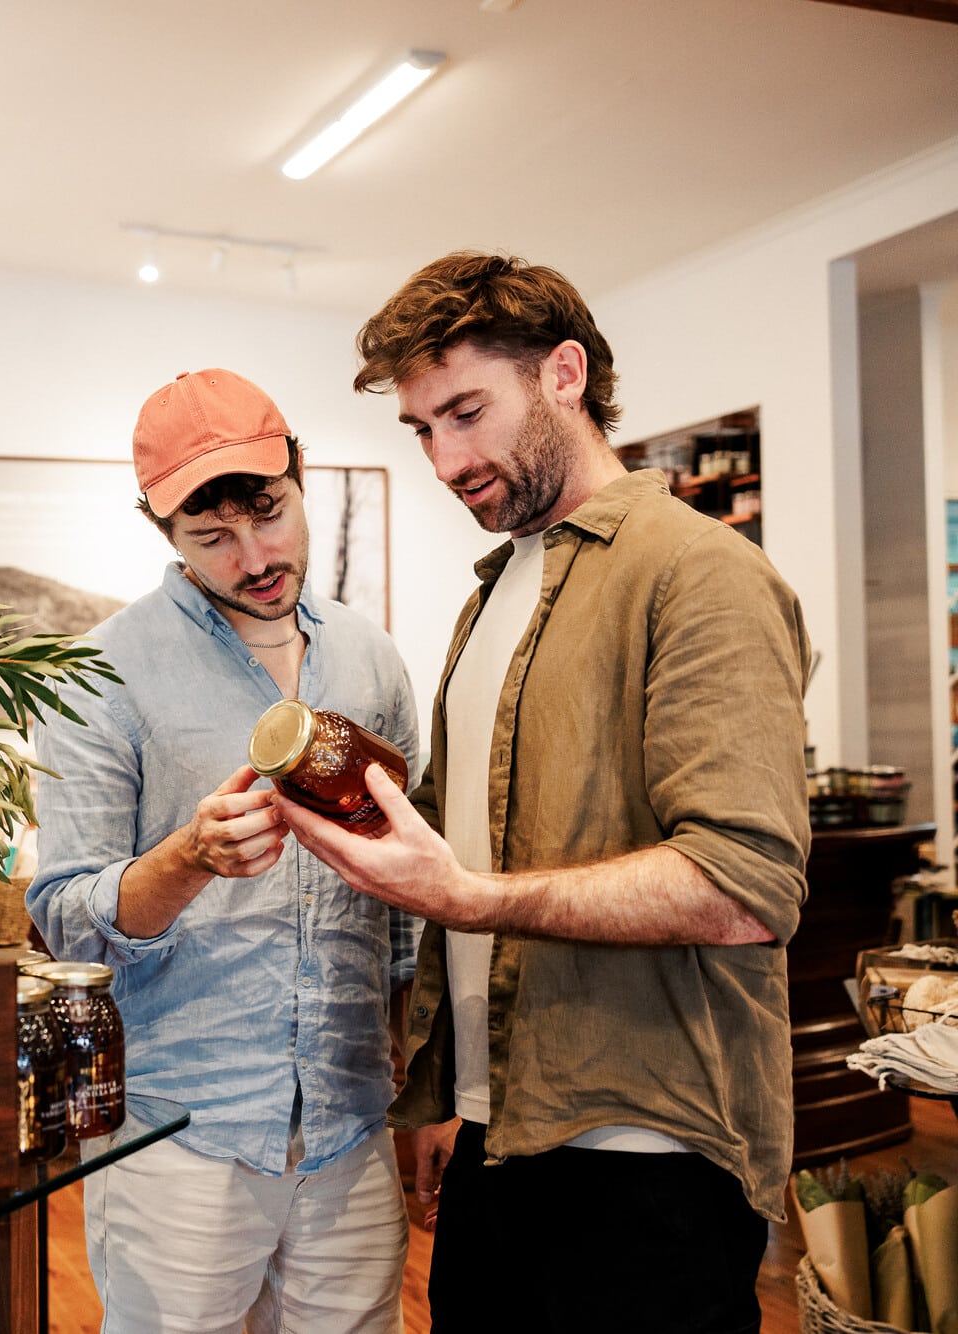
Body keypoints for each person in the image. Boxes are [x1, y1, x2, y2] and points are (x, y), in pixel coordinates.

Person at [282, 253, 809, 1334]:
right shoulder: (495, 592)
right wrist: (447, 1093)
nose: (443, 458)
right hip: (496, 1138)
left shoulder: (699, 573)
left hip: (645, 1157)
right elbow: (473, 851)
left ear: (562, 372)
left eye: (465, 412)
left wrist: (470, 897)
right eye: (420, 429)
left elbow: (744, 886)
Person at [28, 368, 419, 1334]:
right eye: (213, 537)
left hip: (353, 1122)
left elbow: (408, 907)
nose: (255, 556)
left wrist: (427, 1083)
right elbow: (65, 920)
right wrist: (186, 858)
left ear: (300, 476)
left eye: (271, 514)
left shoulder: (371, 661)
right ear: (164, 532)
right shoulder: (100, 674)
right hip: (180, 1133)